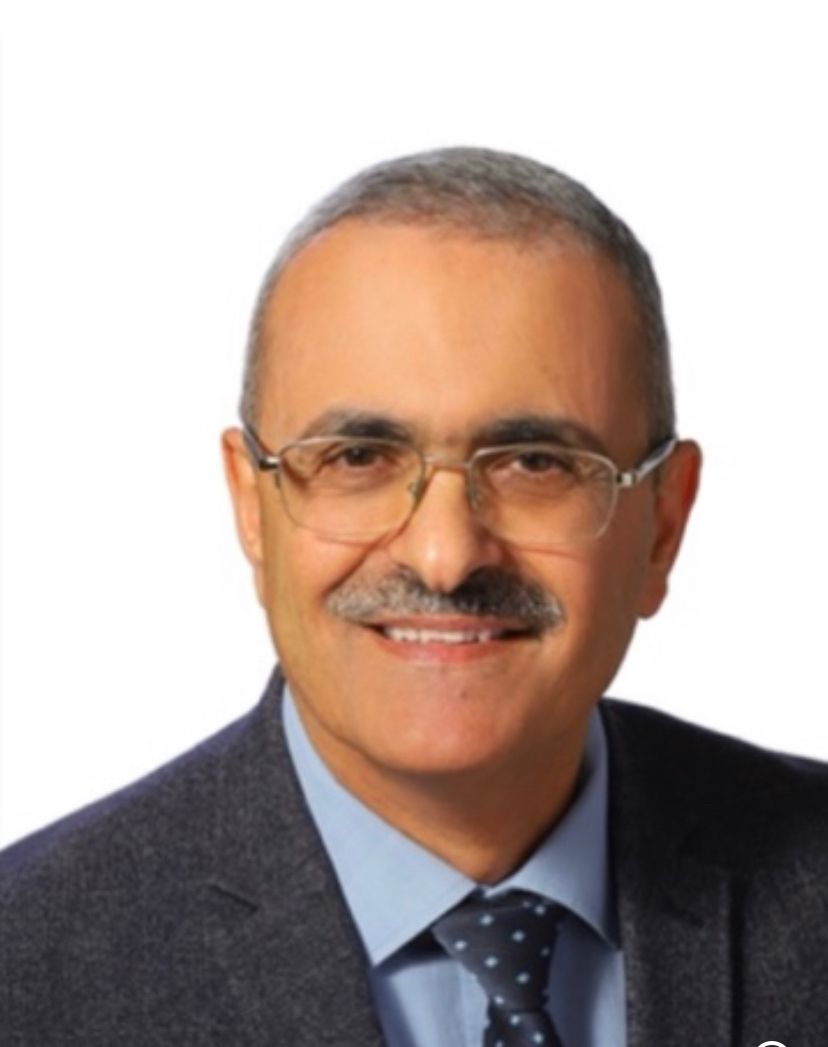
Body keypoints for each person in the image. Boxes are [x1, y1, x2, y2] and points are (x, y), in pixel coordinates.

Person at [1, 147, 826, 1047]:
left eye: (536, 463)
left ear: (663, 522)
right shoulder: (29, 968)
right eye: (358, 457)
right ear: (250, 505)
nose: (444, 556)